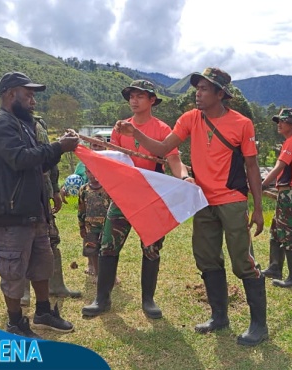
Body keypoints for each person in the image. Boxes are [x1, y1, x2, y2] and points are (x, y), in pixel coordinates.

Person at [113, 68, 267, 346]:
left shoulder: (242, 123)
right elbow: (162, 150)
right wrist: (135, 132)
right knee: (207, 259)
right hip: (202, 199)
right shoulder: (189, 119)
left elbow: (253, 167)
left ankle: (259, 325)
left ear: (220, 94)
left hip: (232, 199)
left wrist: (257, 208)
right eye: (197, 87)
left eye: (205, 89)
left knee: (243, 261)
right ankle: (219, 317)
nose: (198, 92)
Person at [0, 71, 79, 337]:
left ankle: (44, 312)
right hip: (11, 213)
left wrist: (61, 149)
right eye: (29, 95)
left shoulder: (23, 124)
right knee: (13, 270)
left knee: (41, 262)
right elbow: (21, 159)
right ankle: (15, 323)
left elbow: (38, 162)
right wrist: (59, 146)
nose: (33, 101)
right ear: (11, 94)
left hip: (33, 210)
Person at [82, 80, 187, 320]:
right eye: (131, 95)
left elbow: (171, 158)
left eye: (140, 96)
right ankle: (102, 299)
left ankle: (148, 300)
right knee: (108, 245)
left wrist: (184, 177)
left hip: (151, 198)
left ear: (152, 101)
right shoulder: (120, 128)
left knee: (151, 249)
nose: (134, 100)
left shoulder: (162, 129)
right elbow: (117, 159)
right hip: (124, 197)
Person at [20, 110, 81, 307]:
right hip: (20, 195)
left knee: (50, 239)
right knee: (22, 243)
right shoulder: (7, 125)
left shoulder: (39, 125)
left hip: (42, 193)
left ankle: (57, 285)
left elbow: (51, 158)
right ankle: (23, 293)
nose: (32, 101)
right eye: (27, 95)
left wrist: (54, 190)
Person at [261, 108, 292, 288]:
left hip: (290, 193)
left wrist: (263, 184)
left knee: (288, 234)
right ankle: (275, 267)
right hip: (291, 191)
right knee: (276, 229)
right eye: (279, 121)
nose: (279, 125)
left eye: (283, 121)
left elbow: (280, 167)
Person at [78, 167, 112, 282]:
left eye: (95, 171)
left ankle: (111, 274)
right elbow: (81, 209)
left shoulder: (107, 188)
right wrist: (81, 226)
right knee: (92, 249)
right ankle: (97, 274)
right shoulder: (84, 190)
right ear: (86, 173)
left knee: (108, 250)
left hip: (106, 225)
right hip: (90, 227)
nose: (92, 175)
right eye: (89, 172)